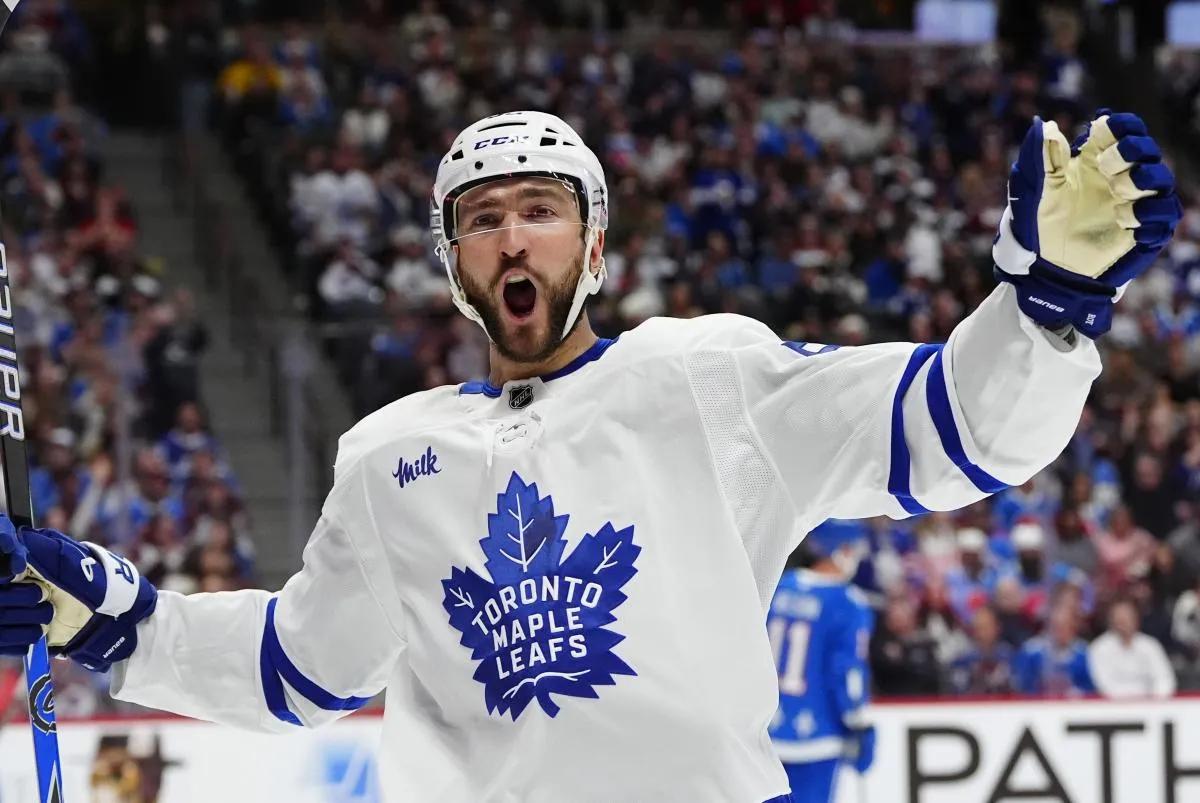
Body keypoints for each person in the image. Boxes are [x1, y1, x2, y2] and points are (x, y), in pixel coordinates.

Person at [0, 109, 1182, 802]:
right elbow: (300, 667)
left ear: (596, 243)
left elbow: (955, 430)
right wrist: (115, 620)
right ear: (455, 264)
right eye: (482, 218)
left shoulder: (707, 373)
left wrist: (1046, 308)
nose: (513, 233)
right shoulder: (387, 454)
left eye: (541, 207)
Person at [767, 521, 876, 802]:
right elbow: (846, 672)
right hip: (818, 735)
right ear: (841, 550)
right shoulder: (847, 602)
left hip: (766, 733)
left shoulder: (780, 586)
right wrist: (858, 723)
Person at [1088, 597, 1176, 699]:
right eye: (1120, 618)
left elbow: (1164, 678)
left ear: (1136, 619)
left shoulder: (1150, 645)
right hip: (1114, 708)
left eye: (1127, 617)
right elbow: (1103, 684)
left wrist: (1155, 701)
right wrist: (1129, 702)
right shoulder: (1100, 648)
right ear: (1112, 621)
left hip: (1150, 706)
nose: (1124, 622)